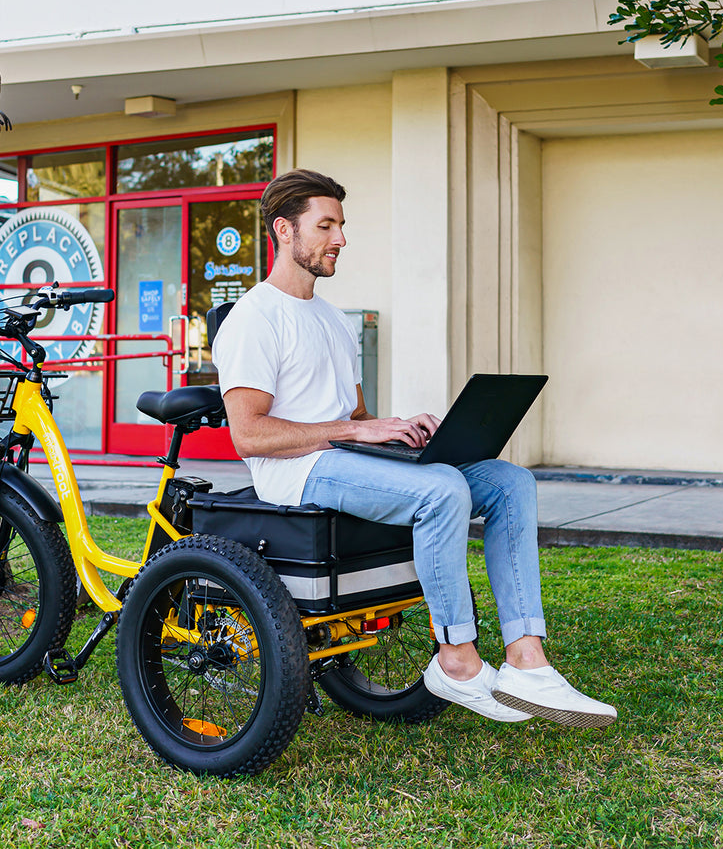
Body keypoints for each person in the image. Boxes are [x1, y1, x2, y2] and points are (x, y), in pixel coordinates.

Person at [211, 168, 616, 728]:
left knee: (508, 481)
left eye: (342, 225)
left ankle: (527, 660)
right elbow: (249, 435)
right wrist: (357, 432)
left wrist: (394, 427)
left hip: (341, 457)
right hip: (295, 471)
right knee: (443, 489)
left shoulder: (331, 320)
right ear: (285, 231)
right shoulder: (252, 319)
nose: (341, 239)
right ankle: (455, 659)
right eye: (325, 226)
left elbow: (351, 418)